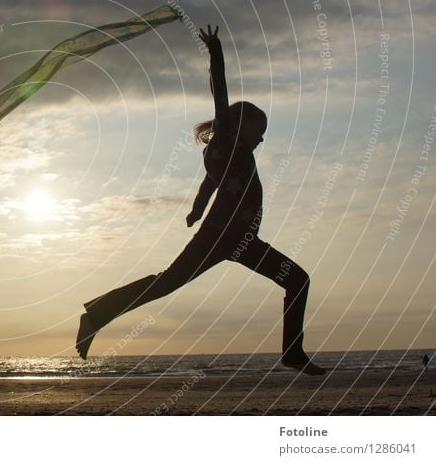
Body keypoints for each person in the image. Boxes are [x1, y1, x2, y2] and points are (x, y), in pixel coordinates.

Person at [76, 25, 326, 376]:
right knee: (166, 283)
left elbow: (210, 183)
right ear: (240, 123)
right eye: (260, 129)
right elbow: (220, 93)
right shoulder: (226, 142)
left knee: (296, 280)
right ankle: (97, 315)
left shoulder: (230, 154)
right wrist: (216, 52)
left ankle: (292, 352)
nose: (262, 138)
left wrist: (196, 208)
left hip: (240, 240)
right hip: (220, 238)